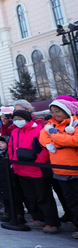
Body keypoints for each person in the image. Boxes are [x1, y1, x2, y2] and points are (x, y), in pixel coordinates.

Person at [8, 109, 57, 232]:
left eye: (20, 118)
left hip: (37, 170)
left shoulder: (38, 131)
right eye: (15, 119)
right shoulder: (14, 132)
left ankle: (51, 222)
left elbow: (46, 148)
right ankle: (38, 218)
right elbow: (11, 147)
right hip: (20, 169)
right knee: (30, 196)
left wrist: (39, 162)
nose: (17, 121)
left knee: (43, 196)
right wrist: (12, 161)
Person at [40, 99, 78, 240]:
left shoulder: (75, 123)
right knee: (70, 201)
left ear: (67, 111)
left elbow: (75, 140)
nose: (55, 115)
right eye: (52, 112)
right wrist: (61, 140)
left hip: (75, 170)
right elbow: (43, 139)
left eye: (58, 111)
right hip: (59, 171)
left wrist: (55, 137)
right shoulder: (50, 124)